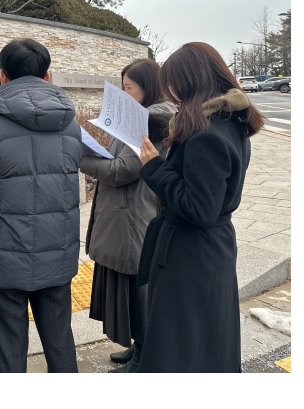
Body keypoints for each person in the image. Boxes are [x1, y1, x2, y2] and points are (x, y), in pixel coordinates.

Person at [0, 38, 83, 373]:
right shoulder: (71, 125)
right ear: (47, 75)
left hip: (4, 251)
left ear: (2, 75)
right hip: (58, 248)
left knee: (9, 344)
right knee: (60, 338)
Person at [137, 42, 265, 372]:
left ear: (190, 81)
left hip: (190, 257)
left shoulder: (207, 134)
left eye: (172, 83)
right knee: (208, 344)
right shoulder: (230, 121)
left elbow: (199, 209)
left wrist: (154, 166)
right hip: (210, 253)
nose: (169, 92)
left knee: (181, 348)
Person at [80, 58, 176, 373]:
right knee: (131, 289)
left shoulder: (150, 123)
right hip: (126, 215)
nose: (124, 94)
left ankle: (144, 357)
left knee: (138, 292)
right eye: (122, 87)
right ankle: (138, 348)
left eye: (129, 88)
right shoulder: (140, 118)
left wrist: (82, 158)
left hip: (134, 218)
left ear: (148, 87)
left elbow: (122, 171)